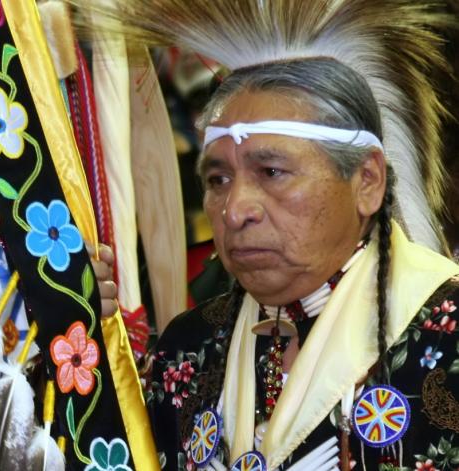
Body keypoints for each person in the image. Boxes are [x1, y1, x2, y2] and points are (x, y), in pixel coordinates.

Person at [86, 11, 459, 469]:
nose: (236, 209)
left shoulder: (449, 334)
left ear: (367, 181)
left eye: (272, 172)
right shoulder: (188, 349)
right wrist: (80, 342)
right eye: (218, 178)